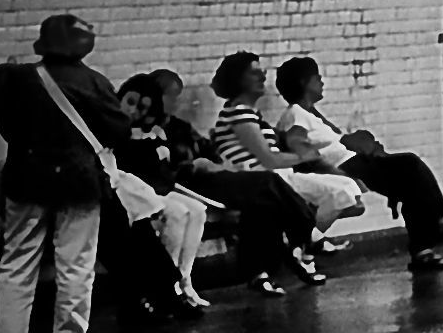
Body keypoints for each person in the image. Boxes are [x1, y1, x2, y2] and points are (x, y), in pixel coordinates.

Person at [0, 12, 127, 333]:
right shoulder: (93, 82)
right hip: (79, 183)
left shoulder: (18, 80)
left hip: (26, 180)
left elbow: (6, 127)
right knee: (76, 263)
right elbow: (117, 131)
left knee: (16, 264)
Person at [136, 68, 323, 293]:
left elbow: (207, 148)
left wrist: (213, 161)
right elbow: (160, 166)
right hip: (189, 182)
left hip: (212, 175)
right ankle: (306, 230)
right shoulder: (150, 129)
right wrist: (193, 165)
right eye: (170, 96)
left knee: (262, 203)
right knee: (266, 182)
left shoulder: (179, 126)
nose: (174, 103)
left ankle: (259, 272)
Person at [273, 54, 443, 272]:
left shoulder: (309, 114)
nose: (322, 82)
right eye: (317, 78)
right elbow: (300, 149)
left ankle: (425, 249)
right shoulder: (295, 114)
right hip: (347, 165)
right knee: (410, 164)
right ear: (304, 83)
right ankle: (439, 224)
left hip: (353, 161)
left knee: (411, 184)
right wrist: (337, 174)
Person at [211, 52, 364, 251]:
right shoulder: (238, 112)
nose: (262, 77)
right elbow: (268, 159)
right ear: (237, 79)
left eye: (262, 72)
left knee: (347, 189)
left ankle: (302, 243)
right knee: (342, 190)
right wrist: (302, 157)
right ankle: (302, 245)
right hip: (262, 181)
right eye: (254, 73)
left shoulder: (250, 113)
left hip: (279, 178)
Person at [107, 77, 217, 320]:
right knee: (177, 213)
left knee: (197, 210)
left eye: (142, 108)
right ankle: (167, 288)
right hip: (131, 194)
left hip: (151, 189)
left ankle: (183, 281)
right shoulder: (115, 130)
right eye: (130, 102)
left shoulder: (156, 132)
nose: (133, 111)